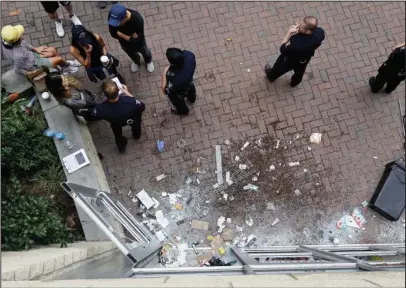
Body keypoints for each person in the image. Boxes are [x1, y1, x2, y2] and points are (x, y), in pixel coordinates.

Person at [79, 79, 145, 153]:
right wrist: (127, 93)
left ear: (105, 94)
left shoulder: (101, 108)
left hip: (116, 123)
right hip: (132, 119)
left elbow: (90, 117)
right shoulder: (130, 101)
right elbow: (142, 106)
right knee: (136, 127)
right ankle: (136, 135)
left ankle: (121, 147)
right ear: (118, 91)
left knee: (118, 136)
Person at [264, 16, 325, 87]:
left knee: (278, 68)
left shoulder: (295, 42)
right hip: (304, 60)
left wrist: (289, 32)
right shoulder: (320, 32)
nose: (298, 26)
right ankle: (295, 83)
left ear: (308, 31)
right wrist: (300, 30)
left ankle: (271, 76)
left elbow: (282, 48)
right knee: (299, 73)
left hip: (289, 60)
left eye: (300, 26)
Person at [1, 25, 80, 75]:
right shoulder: (18, 56)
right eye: (20, 35)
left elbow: (24, 44)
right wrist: (30, 73)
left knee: (52, 50)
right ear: (17, 40)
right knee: (59, 59)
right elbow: (17, 70)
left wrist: (36, 49)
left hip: (31, 55)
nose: (22, 34)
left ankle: (63, 67)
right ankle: (64, 67)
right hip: (33, 64)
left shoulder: (7, 42)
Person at [108, 3, 154, 73]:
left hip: (140, 43)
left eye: (118, 23)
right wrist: (129, 37)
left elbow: (137, 40)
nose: (115, 25)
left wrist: (120, 34)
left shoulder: (137, 20)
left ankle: (148, 61)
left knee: (145, 51)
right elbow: (113, 34)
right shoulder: (113, 17)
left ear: (125, 17)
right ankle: (136, 62)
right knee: (131, 54)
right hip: (124, 43)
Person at [162, 48, 196, 115]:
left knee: (179, 103)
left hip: (179, 92)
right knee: (191, 91)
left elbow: (165, 90)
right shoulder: (189, 55)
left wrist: (164, 73)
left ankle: (183, 111)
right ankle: (192, 99)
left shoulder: (172, 76)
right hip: (189, 83)